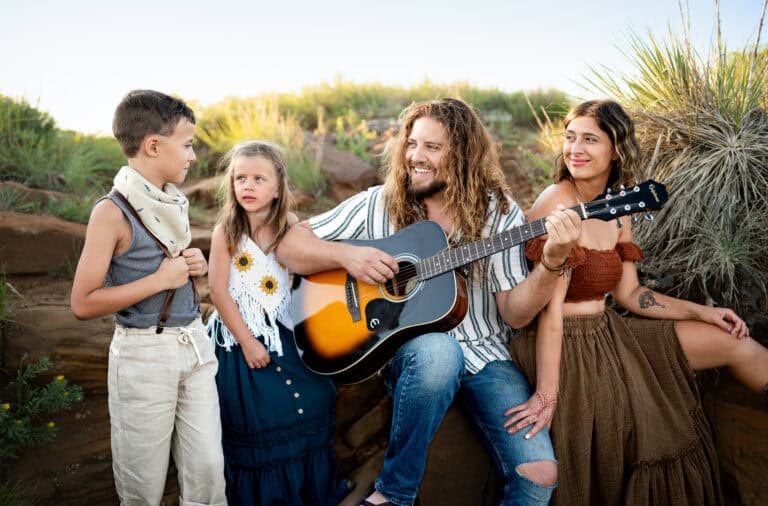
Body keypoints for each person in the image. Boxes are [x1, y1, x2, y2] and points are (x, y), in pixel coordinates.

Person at [277, 98, 583, 506]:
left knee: (541, 474)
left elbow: (515, 311)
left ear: (462, 154)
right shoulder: (379, 203)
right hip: (408, 350)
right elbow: (291, 245)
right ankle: (394, 494)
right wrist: (346, 256)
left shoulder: (499, 213)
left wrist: (551, 262)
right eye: (412, 144)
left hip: (485, 354)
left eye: (432, 148)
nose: (415, 157)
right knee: (440, 352)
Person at [506, 99, 768, 506]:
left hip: (609, 331)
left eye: (590, 139)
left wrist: (703, 311)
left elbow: (630, 295)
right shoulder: (557, 204)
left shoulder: (618, 209)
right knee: (643, 426)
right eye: (570, 137)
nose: (575, 148)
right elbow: (549, 314)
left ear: (616, 149)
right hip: (562, 343)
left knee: (735, 342)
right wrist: (547, 393)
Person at [70, 90, 225, 505]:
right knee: (143, 487)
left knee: (209, 472)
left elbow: (170, 272)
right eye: (188, 144)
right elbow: (83, 302)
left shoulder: (172, 202)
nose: (193, 156)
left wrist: (193, 267)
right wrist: (160, 279)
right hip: (143, 358)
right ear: (153, 146)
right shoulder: (112, 211)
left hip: (194, 344)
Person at [205, 140, 351, 505]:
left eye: (258, 178)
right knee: (260, 414)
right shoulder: (227, 232)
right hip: (241, 339)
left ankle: (312, 489)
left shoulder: (290, 228)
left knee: (315, 397)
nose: (248, 186)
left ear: (277, 187)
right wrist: (249, 343)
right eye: (240, 178)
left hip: (285, 332)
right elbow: (218, 293)